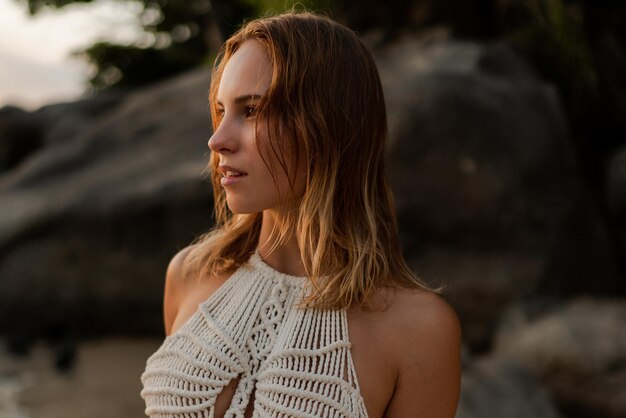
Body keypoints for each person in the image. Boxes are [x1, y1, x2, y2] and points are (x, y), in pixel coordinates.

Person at [141, 10, 461, 418]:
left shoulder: (419, 331)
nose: (217, 139)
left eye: (252, 110)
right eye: (221, 111)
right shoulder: (189, 275)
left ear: (327, 126)